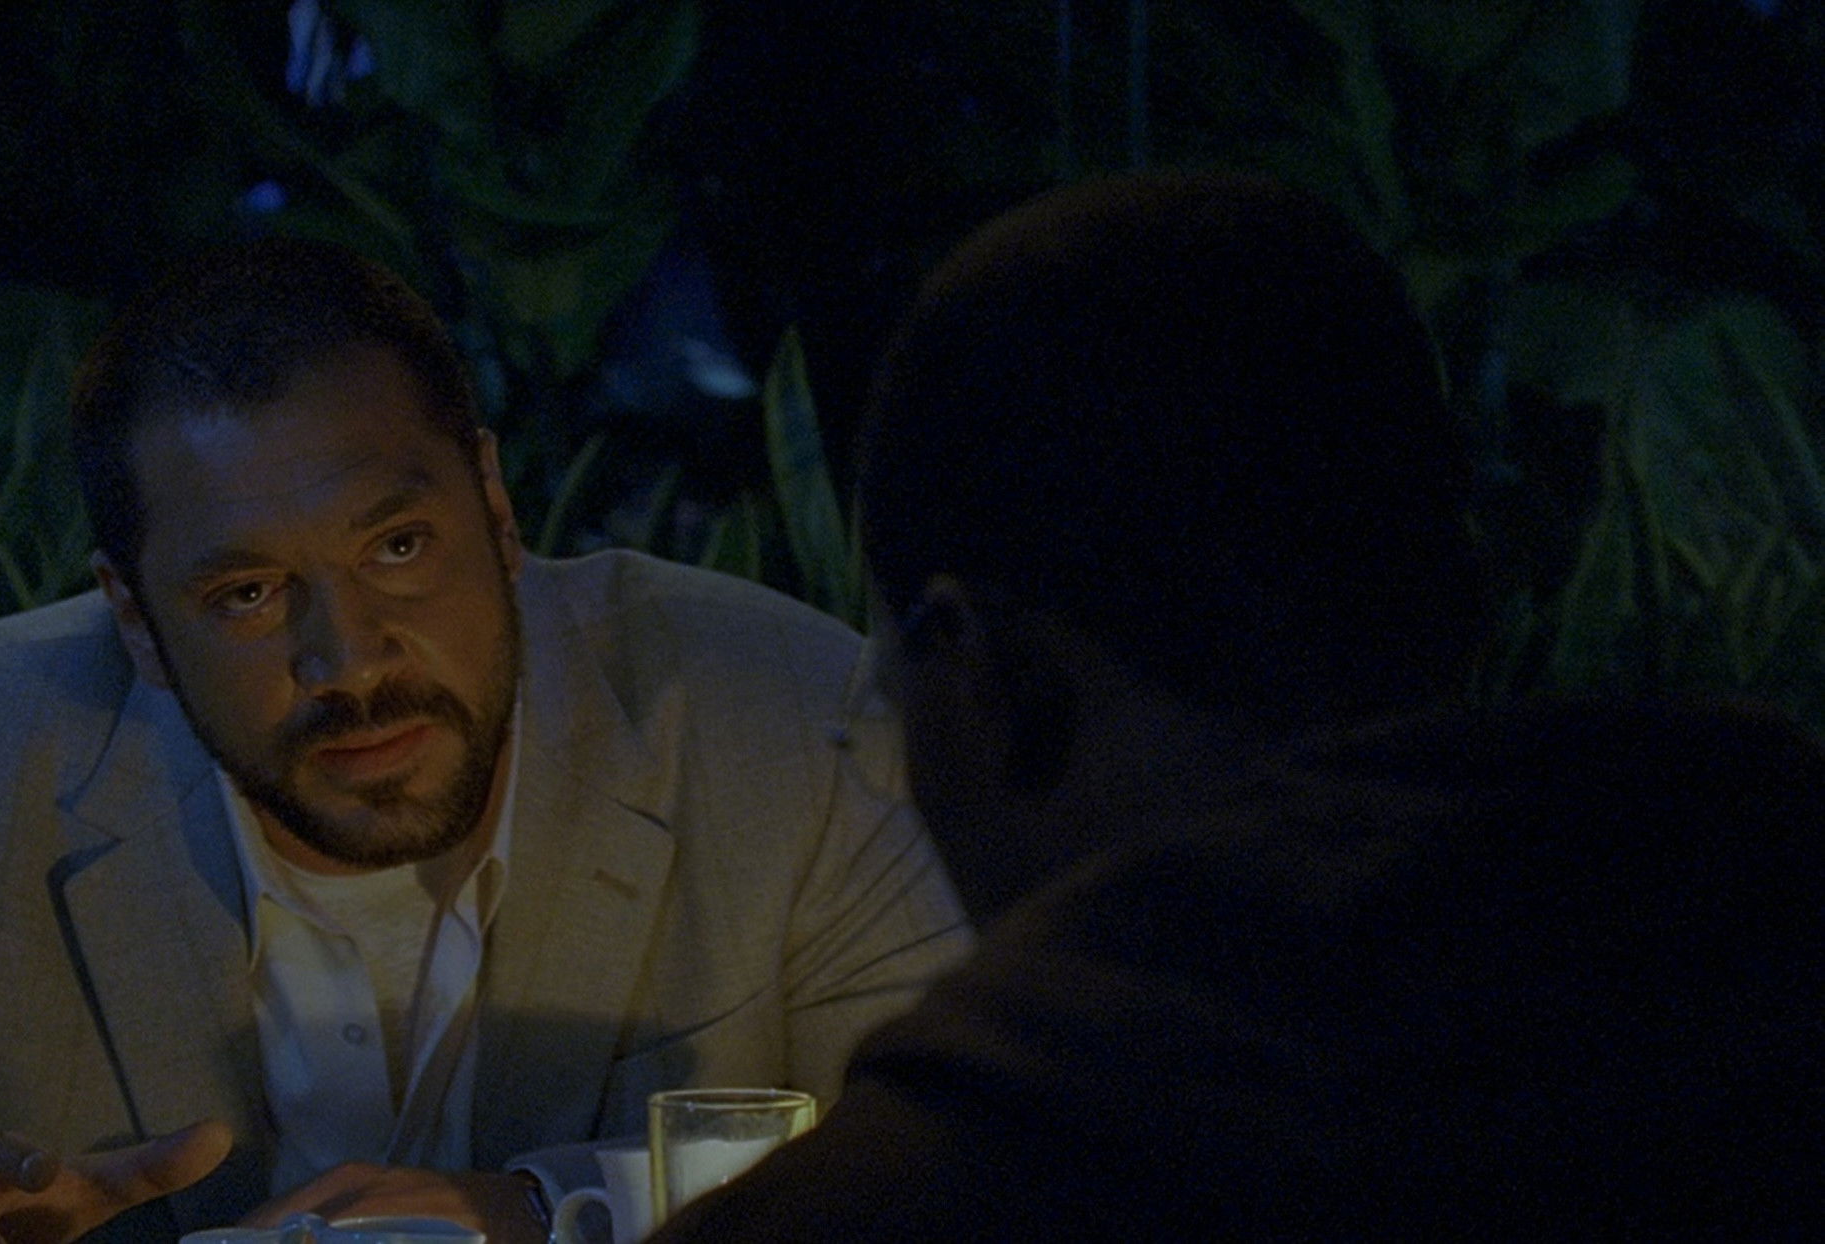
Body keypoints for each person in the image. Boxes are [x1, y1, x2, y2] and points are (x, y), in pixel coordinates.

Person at [0, 239, 970, 1243]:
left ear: (495, 507)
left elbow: (965, 1159)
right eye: (249, 594)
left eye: (399, 546)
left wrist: (550, 1210)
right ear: (136, 618)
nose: (350, 658)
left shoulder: (781, 717)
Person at [645, 170, 1825, 1240]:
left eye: (890, 702)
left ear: (989, 676)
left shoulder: (948, 1178)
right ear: (1464, 592)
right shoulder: (1741, 958)